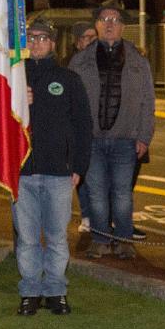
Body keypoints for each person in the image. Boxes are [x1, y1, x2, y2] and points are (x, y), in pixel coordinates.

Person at [0, 18, 91, 314]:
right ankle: (31, 291)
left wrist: (79, 166)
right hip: (22, 173)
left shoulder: (68, 79)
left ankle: (56, 291)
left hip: (59, 172)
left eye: (42, 38)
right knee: (28, 239)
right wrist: (15, 102)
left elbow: (83, 125)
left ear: (53, 43)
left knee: (57, 237)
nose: (36, 43)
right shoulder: (12, 79)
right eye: (30, 38)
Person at [68, 0, 155, 258]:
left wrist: (144, 136)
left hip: (125, 139)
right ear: (96, 25)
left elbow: (148, 101)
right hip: (92, 140)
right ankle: (101, 239)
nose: (109, 24)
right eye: (104, 20)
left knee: (122, 194)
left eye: (115, 20)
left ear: (123, 27)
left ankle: (124, 240)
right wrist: (75, 139)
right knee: (96, 193)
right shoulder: (80, 61)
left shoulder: (138, 61)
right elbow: (71, 103)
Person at [69, 20, 99, 234]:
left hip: (101, 130)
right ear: (78, 42)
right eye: (85, 38)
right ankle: (87, 215)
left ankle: (102, 219)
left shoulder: (104, 61)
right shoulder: (71, 65)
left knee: (100, 179)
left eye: (92, 37)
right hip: (79, 130)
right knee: (83, 176)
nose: (89, 42)